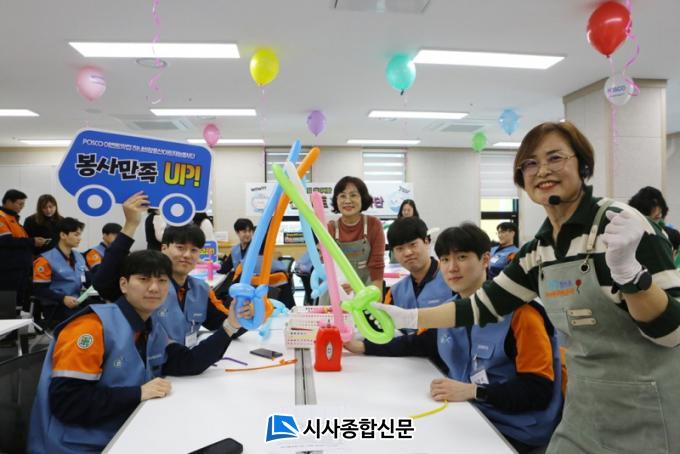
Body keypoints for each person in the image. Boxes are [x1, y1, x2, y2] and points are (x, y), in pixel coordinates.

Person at [374, 121, 680, 453]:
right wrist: (409, 318)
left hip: (646, 409)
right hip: (583, 408)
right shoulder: (539, 250)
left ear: (582, 164)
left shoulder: (623, 226)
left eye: (555, 158)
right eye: (530, 163)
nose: (543, 170)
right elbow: (480, 306)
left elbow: (672, 332)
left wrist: (632, 276)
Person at [347, 223, 563, 452]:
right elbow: (420, 344)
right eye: (445, 260)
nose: (452, 268)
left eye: (461, 257)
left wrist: (473, 391)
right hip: (469, 414)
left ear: (485, 259)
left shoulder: (522, 315)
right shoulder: (450, 310)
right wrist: (363, 346)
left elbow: (538, 390)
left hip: (514, 429)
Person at [28, 249, 251, 453]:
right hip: (81, 446)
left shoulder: (151, 328)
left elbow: (188, 362)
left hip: (126, 430)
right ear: (124, 284)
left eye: (162, 280)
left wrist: (230, 325)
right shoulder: (90, 328)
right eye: (144, 279)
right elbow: (68, 402)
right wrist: (139, 393)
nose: (154, 288)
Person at [93, 192, 264, 346]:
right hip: (146, 367)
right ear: (164, 248)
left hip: (185, 364)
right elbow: (103, 284)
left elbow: (223, 324)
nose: (187, 255)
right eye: (180, 248)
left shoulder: (200, 289)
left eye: (194, 250)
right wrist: (130, 225)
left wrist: (247, 315)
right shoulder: (145, 286)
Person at [345, 216, 452, 370]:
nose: (407, 252)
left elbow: (431, 339)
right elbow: (385, 328)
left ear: (427, 242)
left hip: (448, 370)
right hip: (409, 367)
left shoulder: (452, 281)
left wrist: (365, 347)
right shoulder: (396, 291)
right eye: (400, 248)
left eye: (413, 244)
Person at [325, 176, 385, 301]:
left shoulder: (374, 225)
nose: (347, 201)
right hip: (338, 290)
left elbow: (377, 265)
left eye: (353, 195)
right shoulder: (330, 228)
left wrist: (376, 299)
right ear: (336, 200)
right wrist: (340, 287)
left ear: (362, 198)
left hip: (366, 290)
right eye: (342, 196)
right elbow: (327, 266)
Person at [33, 217, 91, 328]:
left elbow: (89, 280)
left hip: (77, 302)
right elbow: (39, 290)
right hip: (56, 307)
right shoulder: (45, 260)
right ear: (63, 235)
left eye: (80, 235)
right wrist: (63, 298)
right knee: (85, 322)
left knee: (101, 311)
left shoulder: (79, 257)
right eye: (76, 235)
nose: (79, 238)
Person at [0, 189, 47, 311]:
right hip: (7, 271)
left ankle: (16, 322)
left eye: (23, 204)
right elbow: (5, 241)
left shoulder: (13, 219)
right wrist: (32, 241)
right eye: (20, 204)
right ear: (8, 202)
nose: (22, 207)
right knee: (7, 307)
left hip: (20, 270)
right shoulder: (1, 217)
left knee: (18, 305)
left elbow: (20, 241)